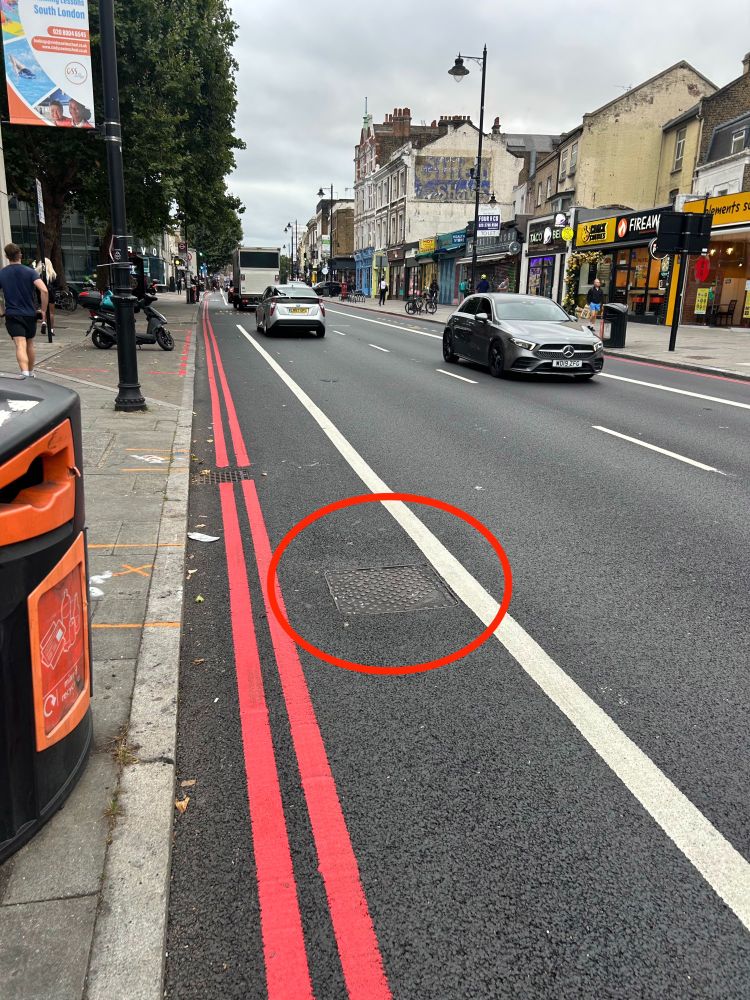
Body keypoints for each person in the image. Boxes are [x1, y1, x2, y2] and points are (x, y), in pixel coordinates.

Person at [0, 243, 48, 378]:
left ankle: (25, 373)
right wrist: (43, 310)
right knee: (30, 343)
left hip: (13, 314)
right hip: (29, 314)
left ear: (6, 256)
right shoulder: (30, 272)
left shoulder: (2, 273)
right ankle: (31, 372)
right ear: (20, 254)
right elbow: (44, 290)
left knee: (20, 344)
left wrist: (1, 310)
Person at [33, 256, 56, 337]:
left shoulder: (37, 274)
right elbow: (56, 284)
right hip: (50, 294)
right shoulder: (52, 274)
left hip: (40, 293)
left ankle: (43, 321)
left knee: (43, 309)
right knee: (51, 312)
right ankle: (51, 329)